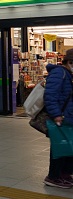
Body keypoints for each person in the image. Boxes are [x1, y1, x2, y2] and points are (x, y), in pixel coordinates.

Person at [43, 48, 73, 189]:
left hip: (69, 117)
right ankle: (53, 177)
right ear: (70, 62)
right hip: (61, 118)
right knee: (60, 147)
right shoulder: (58, 73)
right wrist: (56, 115)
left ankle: (65, 174)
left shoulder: (69, 74)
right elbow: (50, 96)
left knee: (69, 147)